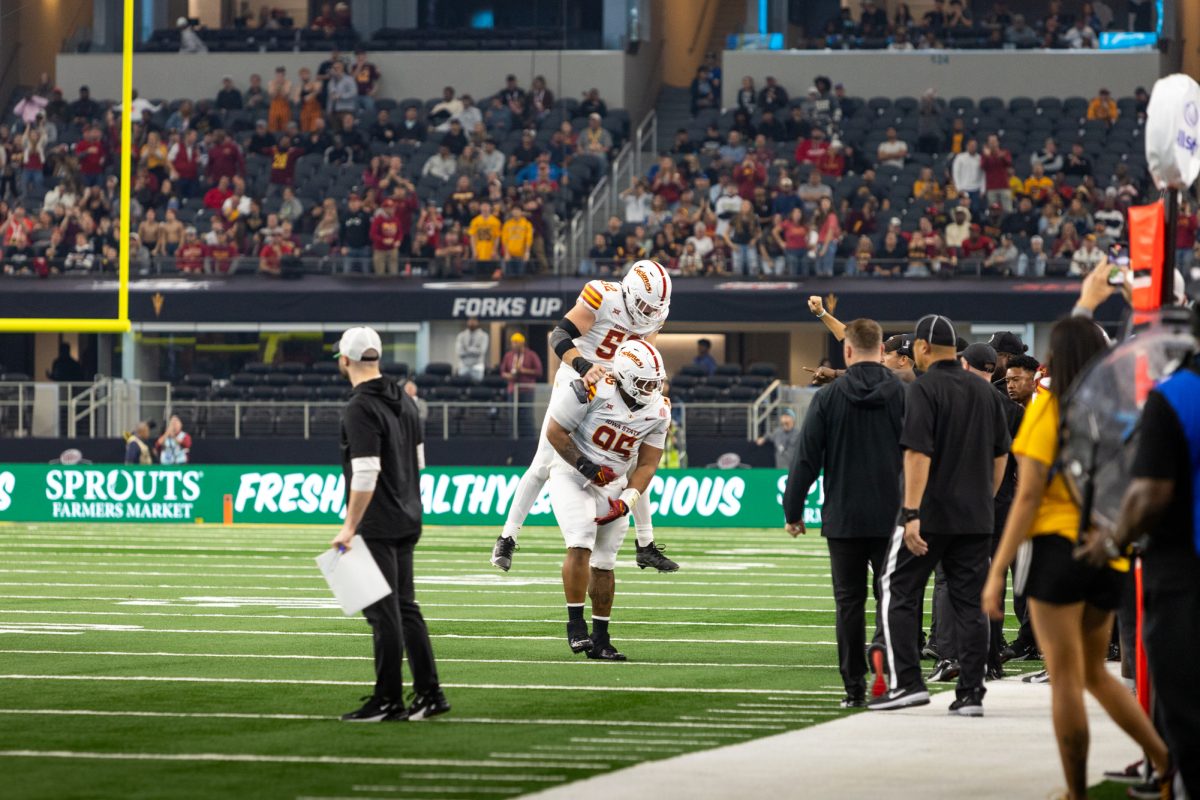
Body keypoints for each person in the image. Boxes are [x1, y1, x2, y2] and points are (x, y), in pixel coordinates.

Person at [987, 316, 1170, 799]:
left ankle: (1075, 790)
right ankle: (1165, 759)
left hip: (1056, 551)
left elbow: (1026, 499)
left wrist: (996, 572)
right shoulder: (1125, 413)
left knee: (1067, 680)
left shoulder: (1048, 410)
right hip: (1108, 553)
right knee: (1095, 673)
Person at [1076, 312, 1200, 797]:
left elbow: (1148, 494)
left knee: (1186, 705)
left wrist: (1110, 539)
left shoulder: (1177, 395)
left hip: (1185, 570)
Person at [491, 261, 677, 574]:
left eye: (653, 307)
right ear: (629, 291)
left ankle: (645, 545)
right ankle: (507, 537)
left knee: (632, 462)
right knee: (543, 463)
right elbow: (559, 335)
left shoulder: (655, 313)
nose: (648, 312)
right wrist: (584, 368)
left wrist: (654, 392)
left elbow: (648, 356)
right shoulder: (602, 295)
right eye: (643, 304)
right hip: (580, 379)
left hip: (620, 385)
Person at [870, 314, 1011, 715]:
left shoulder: (924, 390)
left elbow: (917, 453)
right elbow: (1002, 455)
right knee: (970, 604)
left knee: (896, 590)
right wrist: (986, 497)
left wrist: (911, 511)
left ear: (923, 347)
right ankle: (970, 693)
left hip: (930, 514)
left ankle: (908, 683)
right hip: (975, 515)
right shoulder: (986, 393)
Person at [784, 318, 906, 707]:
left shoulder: (827, 398)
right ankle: (887, 664)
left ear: (847, 351)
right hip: (894, 515)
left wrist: (793, 511)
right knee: (893, 598)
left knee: (849, 603)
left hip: (844, 516)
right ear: (883, 350)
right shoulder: (905, 393)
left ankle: (853, 687)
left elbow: (805, 460)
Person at [331, 326, 448, 723]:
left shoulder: (359, 407)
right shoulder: (405, 398)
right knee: (404, 608)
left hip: (379, 521)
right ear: (376, 357)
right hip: (407, 513)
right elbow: (419, 463)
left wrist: (349, 527)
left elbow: (365, 472)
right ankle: (429, 694)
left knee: (383, 614)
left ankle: (388, 700)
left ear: (345, 360)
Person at [545, 339, 671, 661]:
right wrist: (586, 466)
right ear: (626, 376)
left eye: (655, 382)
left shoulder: (659, 409)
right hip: (572, 474)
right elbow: (555, 431)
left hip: (613, 482)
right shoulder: (593, 387)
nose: (651, 388)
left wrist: (628, 498)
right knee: (581, 540)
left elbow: (647, 464)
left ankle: (601, 639)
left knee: (605, 562)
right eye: (645, 382)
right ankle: (576, 627)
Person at [454, 317, 488, 382]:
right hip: (464, 366)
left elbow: (481, 351)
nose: (472, 323)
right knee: (462, 387)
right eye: (470, 321)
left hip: (477, 367)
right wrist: (475, 349)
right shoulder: (461, 335)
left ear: (477, 322)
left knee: (477, 388)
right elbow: (459, 352)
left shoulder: (483, 335)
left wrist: (467, 349)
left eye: (474, 321)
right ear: (467, 322)